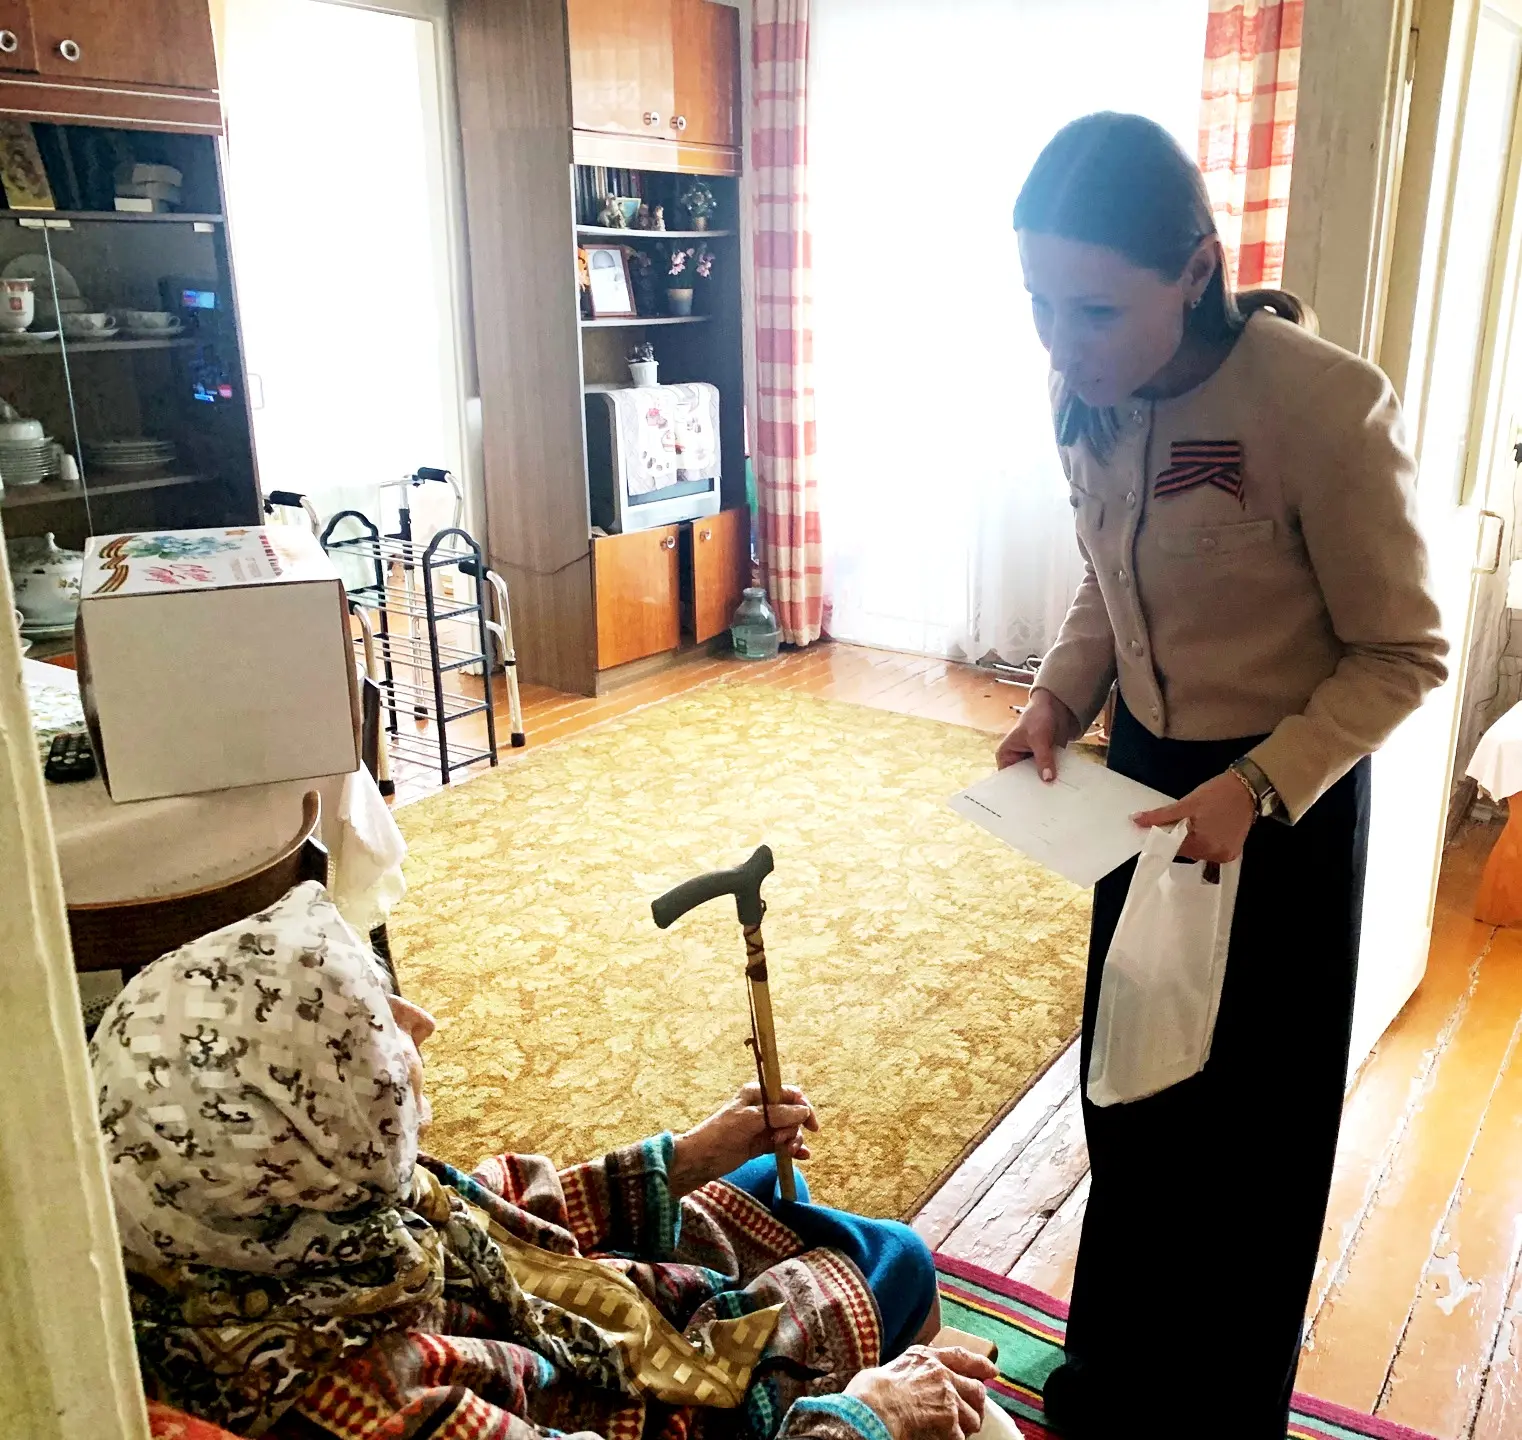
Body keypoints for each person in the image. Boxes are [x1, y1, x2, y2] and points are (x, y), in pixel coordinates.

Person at [996, 113, 1448, 1437]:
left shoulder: (1322, 407)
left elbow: (1401, 652)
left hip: (1279, 805)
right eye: (1037, 304)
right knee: (1131, 1098)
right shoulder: (1083, 388)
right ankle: (1105, 1385)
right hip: (1143, 785)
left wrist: (1249, 791)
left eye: (1092, 309)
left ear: (1195, 269)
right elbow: (1107, 574)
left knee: (1250, 1147)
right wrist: (1057, 697)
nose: (1060, 343)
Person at [92, 880, 999, 1440]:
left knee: (754, 1176)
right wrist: (866, 1418)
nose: (420, 1024)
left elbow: (494, 1215)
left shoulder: (252, 1227)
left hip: (547, 1327)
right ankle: (890, 1374)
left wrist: (689, 1155)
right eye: (373, 1030)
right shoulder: (377, 1403)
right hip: (635, 1409)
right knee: (896, 1259)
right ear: (300, 1138)